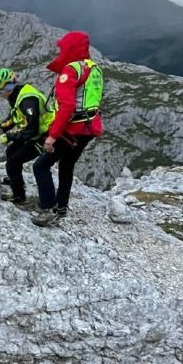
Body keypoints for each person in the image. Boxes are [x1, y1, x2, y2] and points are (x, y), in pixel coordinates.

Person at [31, 30, 104, 227]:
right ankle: (61, 208)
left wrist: (52, 136)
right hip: (89, 128)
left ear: (71, 48)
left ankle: (47, 208)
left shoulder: (71, 70)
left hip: (73, 129)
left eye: (63, 48)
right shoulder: (93, 68)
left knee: (40, 165)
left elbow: (67, 106)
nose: (60, 51)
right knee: (66, 166)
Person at [0, 68, 51, 204]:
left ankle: (19, 196)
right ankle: (16, 180)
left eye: (0, 92)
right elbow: (14, 116)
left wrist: (8, 137)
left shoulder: (27, 100)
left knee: (13, 162)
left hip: (44, 137)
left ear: (8, 87)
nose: (0, 96)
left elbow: (32, 130)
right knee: (11, 151)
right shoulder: (17, 94)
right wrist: (1, 128)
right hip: (36, 134)